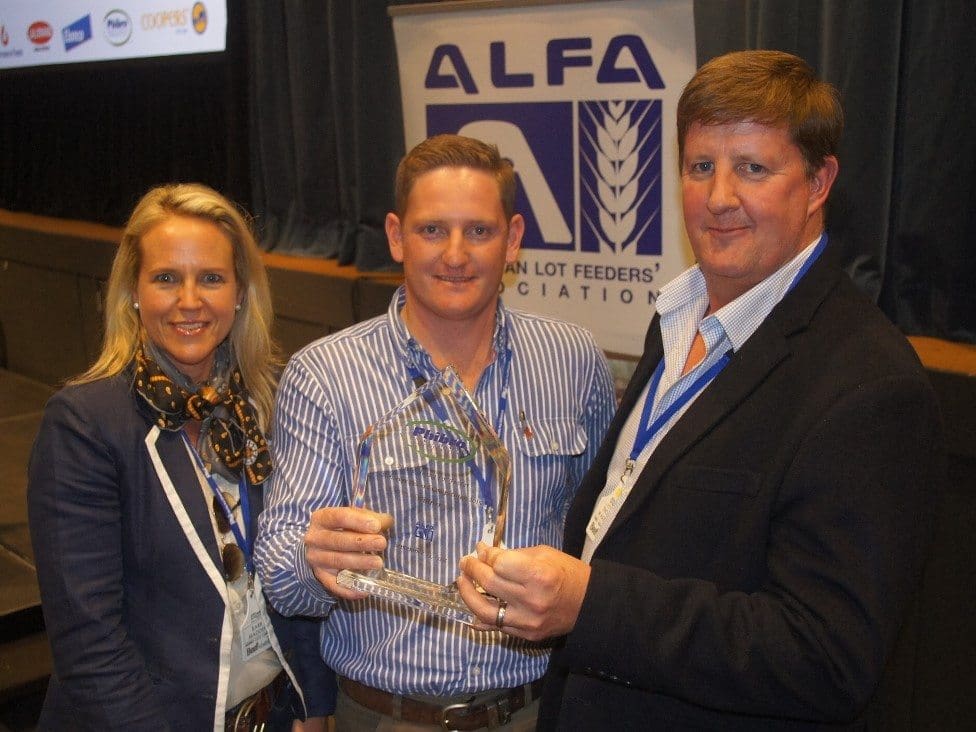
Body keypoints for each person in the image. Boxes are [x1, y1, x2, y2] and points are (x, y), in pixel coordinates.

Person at [457, 50, 944, 729]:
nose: (719, 198)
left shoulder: (869, 386)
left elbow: (827, 657)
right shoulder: (678, 319)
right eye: (700, 167)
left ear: (818, 180)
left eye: (753, 167)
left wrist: (589, 604)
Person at [254, 134, 616, 731]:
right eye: (431, 231)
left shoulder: (573, 360)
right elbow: (281, 580)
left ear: (514, 239)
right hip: (388, 717)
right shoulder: (324, 374)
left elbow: (603, 528)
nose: (455, 254)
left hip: (540, 710)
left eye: (478, 231)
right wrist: (313, 559)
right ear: (396, 236)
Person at [27, 183, 331, 730]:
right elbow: (91, 646)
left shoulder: (259, 410)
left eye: (211, 278)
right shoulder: (84, 424)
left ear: (240, 293)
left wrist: (311, 701)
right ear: (134, 292)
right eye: (166, 278)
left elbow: (293, 575)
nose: (189, 301)